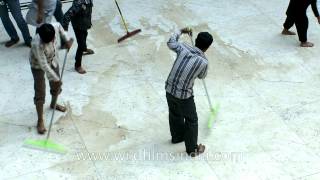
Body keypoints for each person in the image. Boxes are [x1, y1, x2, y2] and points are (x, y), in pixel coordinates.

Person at [165, 28, 213, 157]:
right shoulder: (204, 62)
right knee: (192, 120)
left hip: (169, 89)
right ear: (207, 48)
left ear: (196, 40)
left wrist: (181, 31)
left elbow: (171, 42)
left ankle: (177, 137)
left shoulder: (183, 47)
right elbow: (202, 76)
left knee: (175, 113)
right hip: (184, 96)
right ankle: (192, 149)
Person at [29, 23, 73, 134]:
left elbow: (60, 27)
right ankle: (40, 120)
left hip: (53, 59)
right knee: (40, 91)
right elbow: (43, 65)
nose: (53, 41)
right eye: (48, 41)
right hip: (37, 65)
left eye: (53, 39)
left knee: (56, 86)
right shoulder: (36, 44)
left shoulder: (54, 26)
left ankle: (53, 104)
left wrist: (66, 39)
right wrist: (56, 78)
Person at [61, 0, 94, 74]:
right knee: (81, 44)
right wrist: (65, 33)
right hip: (78, 25)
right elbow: (66, 17)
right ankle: (77, 65)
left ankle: (84, 49)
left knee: (85, 35)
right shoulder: (79, 3)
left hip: (85, 22)